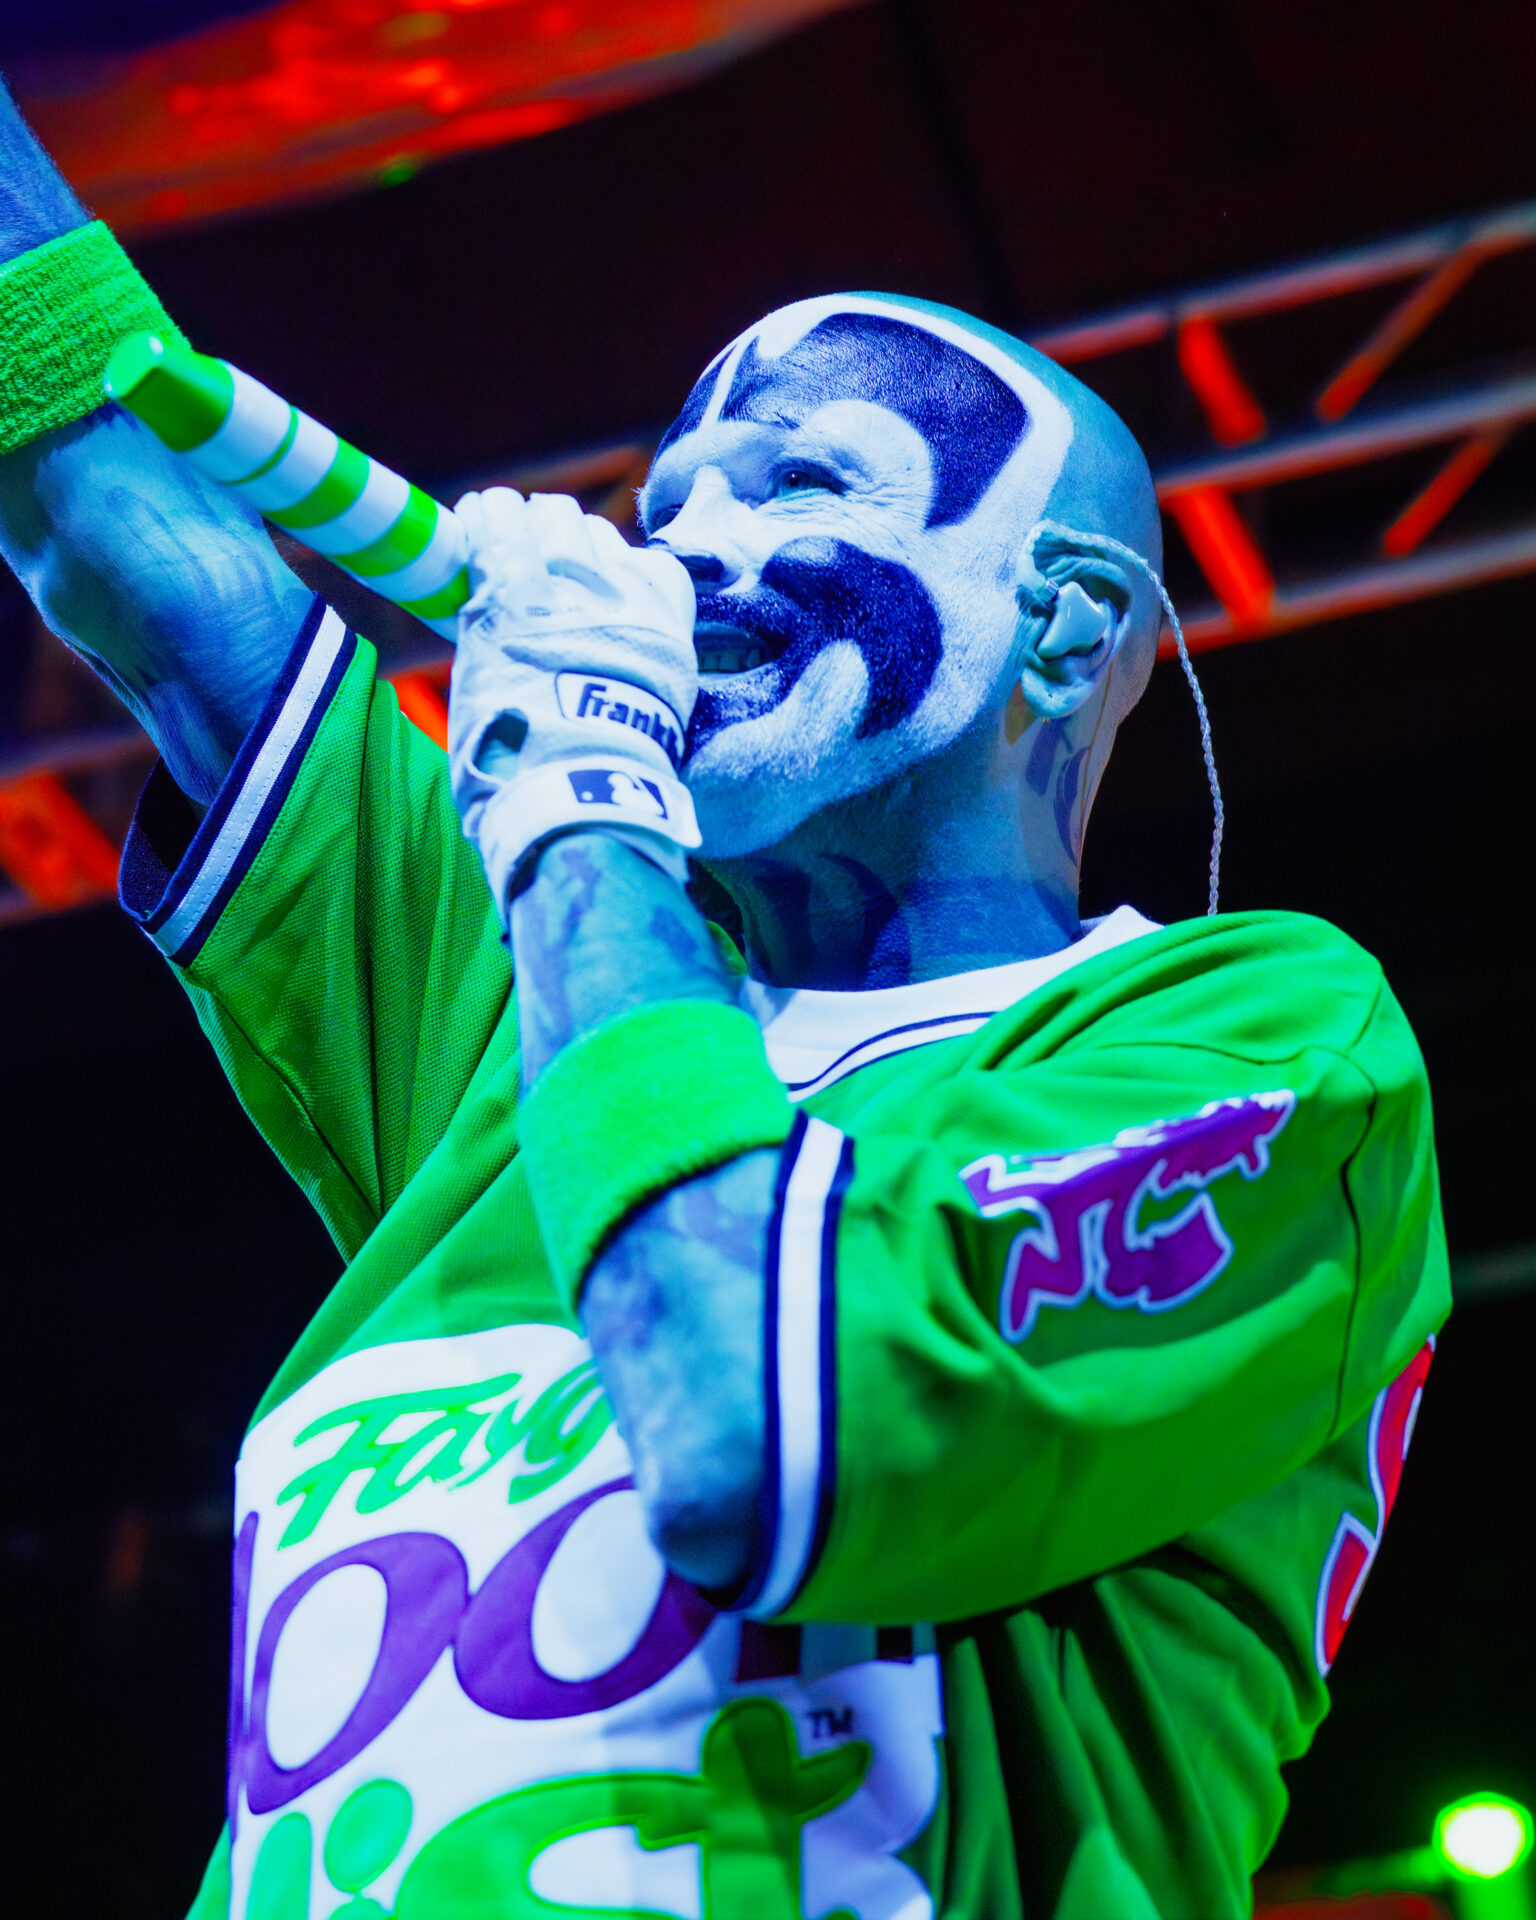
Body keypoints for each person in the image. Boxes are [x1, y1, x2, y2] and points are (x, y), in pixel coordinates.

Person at [0, 80, 1447, 1920]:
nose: (683, 555)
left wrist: (580, 795)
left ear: (1068, 625)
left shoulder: (1260, 1038)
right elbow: (130, 530)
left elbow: (748, 1436)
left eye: (805, 484)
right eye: (666, 503)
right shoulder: (537, 990)